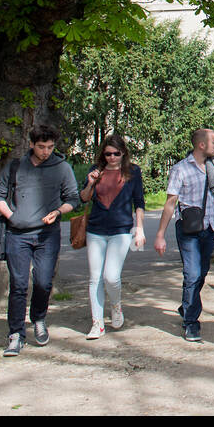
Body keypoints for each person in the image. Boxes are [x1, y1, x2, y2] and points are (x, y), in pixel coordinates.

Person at [0, 124, 81, 357]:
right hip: (17, 234)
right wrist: (13, 216)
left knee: (43, 282)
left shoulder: (62, 167)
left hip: (47, 234)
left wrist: (59, 211)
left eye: (50, 147)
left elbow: (73, 198)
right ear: (31, 144)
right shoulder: (16, 167)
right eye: (41, 147)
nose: (45, 151)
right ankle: (16, 334)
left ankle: (39, 318)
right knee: (18, 285)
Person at [153, 128, 214, 342]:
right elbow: (170, 203)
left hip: (209, 228)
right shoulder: (180, 169)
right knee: (192, 274)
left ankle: (187, 307)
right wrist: (160, 235)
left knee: (201, 273)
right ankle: (191, 322)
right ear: (201, 145)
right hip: (188, 229)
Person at [80, 134, 146, 339]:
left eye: (116, 153)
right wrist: (91, 183)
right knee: (95, 278)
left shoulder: (133, 172)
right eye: (108, 154)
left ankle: (116, 305)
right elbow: (83, 198)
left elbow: (139, 202)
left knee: (111, 276)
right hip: (95, 230)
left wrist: (140, 229)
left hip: (121, 230)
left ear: (123, 152)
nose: (112, 157)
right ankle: (97, 323)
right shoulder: (95, 171)